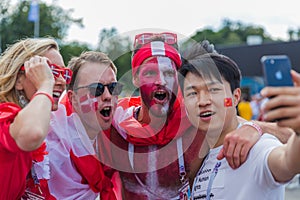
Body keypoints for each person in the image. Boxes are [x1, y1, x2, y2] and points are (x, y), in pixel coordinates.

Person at [110, 33, 264, 199]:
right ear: (135, 77)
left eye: (169, 73)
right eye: (150, 73)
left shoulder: (194, 126)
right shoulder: (116, 126)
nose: (160, 81)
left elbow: (283, 134)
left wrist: (254, 127)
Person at [178, 50, 300, 199]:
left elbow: (287, 161)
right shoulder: (202, 159)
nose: (203, 101)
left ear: (236, 97)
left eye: (213, 90)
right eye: (192, 93)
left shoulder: (256, 147)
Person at [0, 37, 67, 199]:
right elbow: (33, 132)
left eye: (65, 73)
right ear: (19, 80)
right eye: (50, 71)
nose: (62, 81)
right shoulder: (4, 115)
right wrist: (44, 84)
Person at [47, 51, 120, 200]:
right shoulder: (52, 142)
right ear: (73, 99)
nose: (107, 96)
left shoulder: (121, 127)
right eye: (96, 89)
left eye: (113, 87)